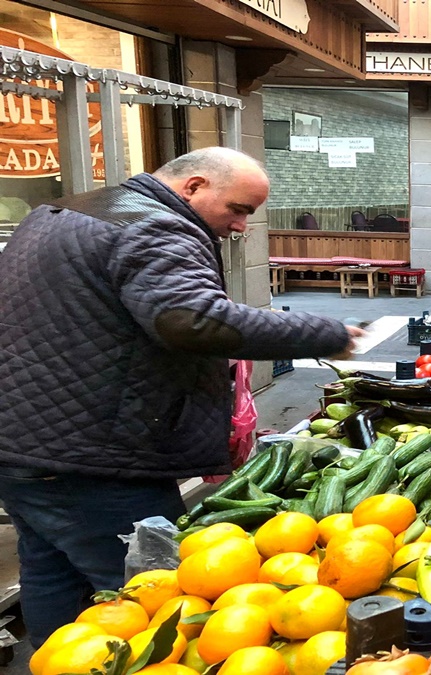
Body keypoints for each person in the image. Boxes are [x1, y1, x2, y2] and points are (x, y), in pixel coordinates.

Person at [0, 147, 364, 646]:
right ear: (194, 187)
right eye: (238, 209)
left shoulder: (63, 212)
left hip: (23, 442)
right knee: (154, 593)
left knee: (51, 572)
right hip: (99, 456)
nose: (240, 227)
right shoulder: (154, 227)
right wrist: (323, 333)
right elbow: (191, 318)